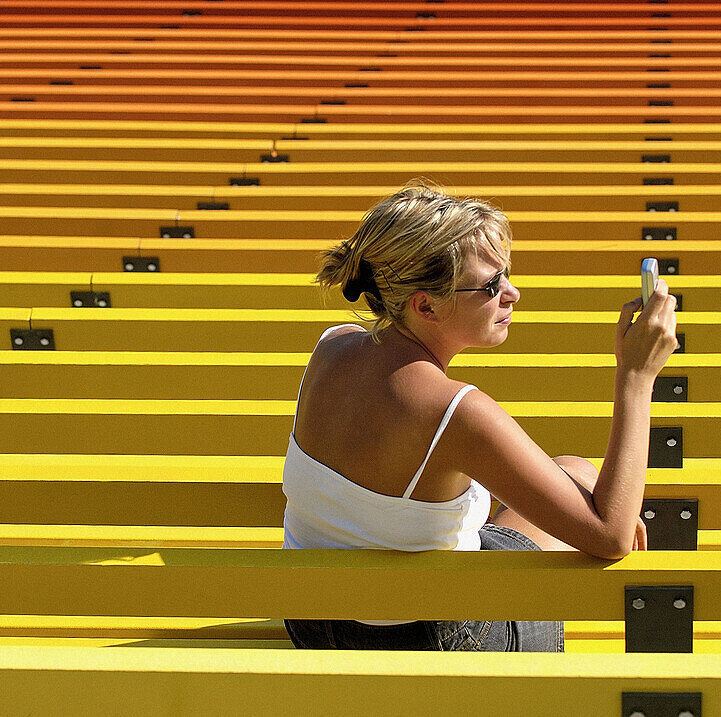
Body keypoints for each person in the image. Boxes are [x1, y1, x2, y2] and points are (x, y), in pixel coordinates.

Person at [282, 182, 679, 651]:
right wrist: (636, 375)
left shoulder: (332, 347)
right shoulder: (456, 412)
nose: (513, 292)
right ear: (425, 305)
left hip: (311, 621)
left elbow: (385, 478)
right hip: (425, 643)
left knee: (575, 471)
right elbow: (611, 536)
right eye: (492, 285)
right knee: (588, 498)